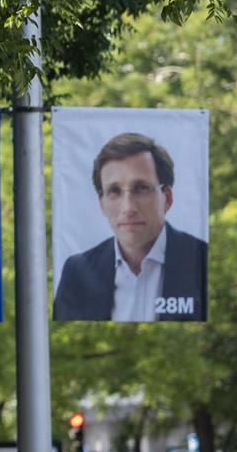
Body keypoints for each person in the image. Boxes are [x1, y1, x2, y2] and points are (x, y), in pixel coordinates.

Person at [53, 133, 207, 322]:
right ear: (101, 204)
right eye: (114, 191)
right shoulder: (77, 272)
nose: (128, 208)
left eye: (141, 188)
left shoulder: (203, 261)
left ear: (167, 198)